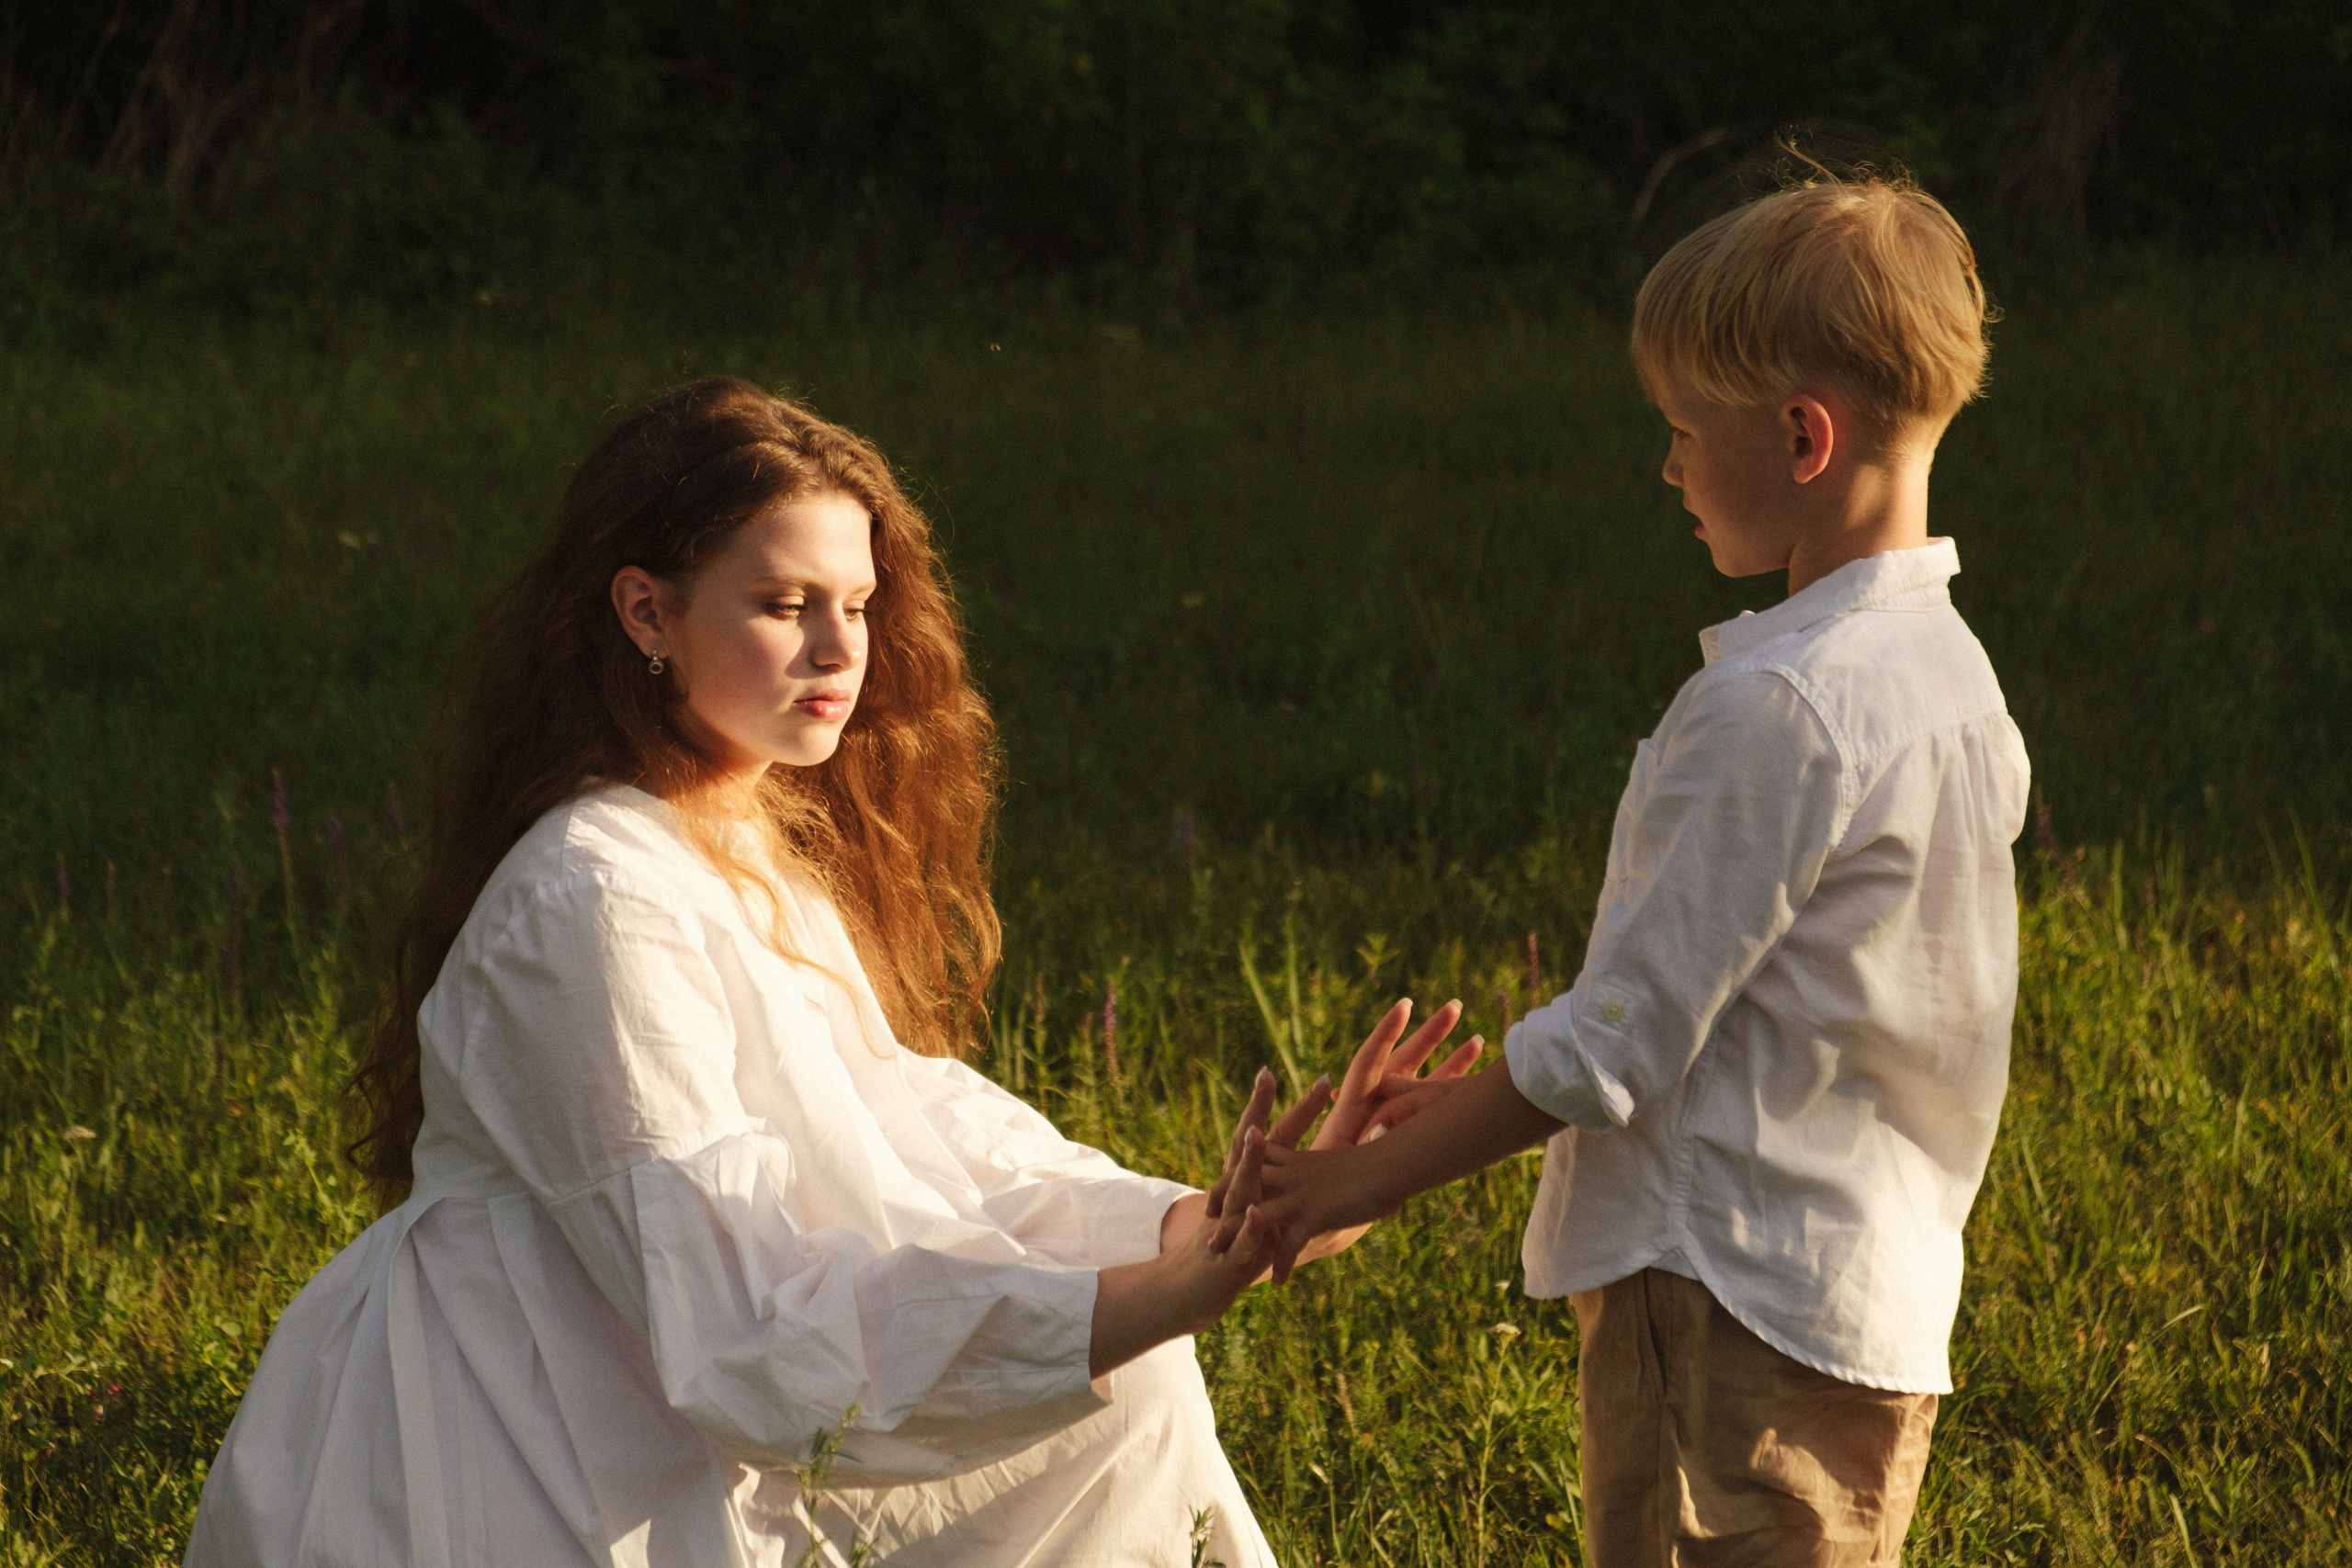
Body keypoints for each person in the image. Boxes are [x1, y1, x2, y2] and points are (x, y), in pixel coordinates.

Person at [183, 378, 1476, 1567]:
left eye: (855, 605)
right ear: (646, 610)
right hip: (511, 1450)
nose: (838, 649)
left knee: (1130, 1391)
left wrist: (1217, 1225)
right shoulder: (592, 896)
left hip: (650, 1395)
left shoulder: (733, 845)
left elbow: (917, 1138)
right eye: (783, 603)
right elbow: (740, 1330)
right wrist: (1158, 1290)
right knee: (1116, 1381)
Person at [1257, 171, 2030, 1567]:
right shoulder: (1953, 679)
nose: (1669, 469)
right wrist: (1484, 1095)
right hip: (1862, 1298)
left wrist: (1356, 1185)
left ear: (1802, 436)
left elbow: (1615, 1047)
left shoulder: (1779, 711)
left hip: (1716, 1293)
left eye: (1682, 433)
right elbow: (1775, 999)